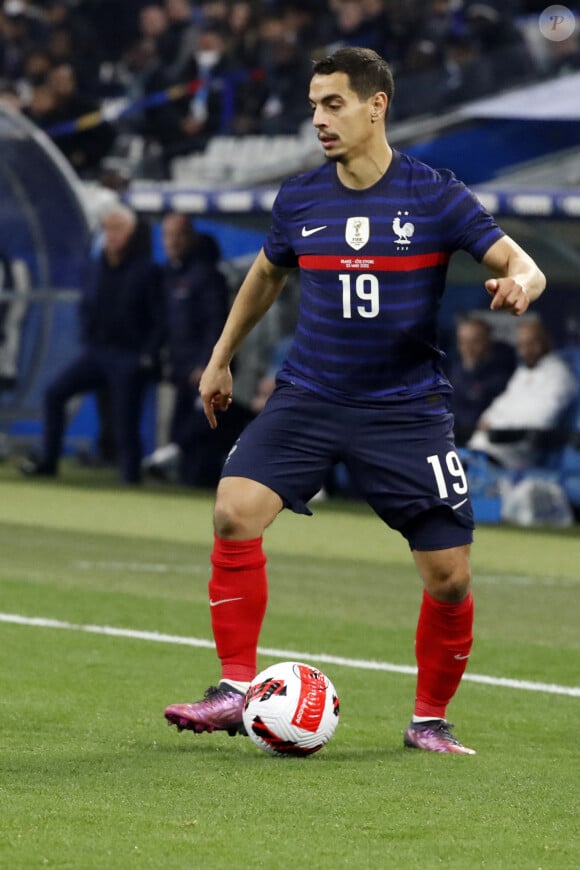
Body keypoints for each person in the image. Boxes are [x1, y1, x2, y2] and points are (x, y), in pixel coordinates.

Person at [164, 47, 546, 755]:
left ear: (377, 106)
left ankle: (428, 719)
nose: (318, 120)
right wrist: (221, 358)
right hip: (310, 393)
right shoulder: (302, 197)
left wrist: (522, 284)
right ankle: (234, 688)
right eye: (313, 105)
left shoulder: (435, 194)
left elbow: (523, 263)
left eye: (333, 103)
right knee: (233, 511)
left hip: (405, 410)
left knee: (450, 578)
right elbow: (265, 277)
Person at [20, 204, 164, 484]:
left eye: (119, 229)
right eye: (108, 229)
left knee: (125, 421)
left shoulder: (147, 271)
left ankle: (130, 478)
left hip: (128, 356)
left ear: (132, 234)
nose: (112, 235)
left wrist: (147, 355)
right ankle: (49, 461)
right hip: (97, 352)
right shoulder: (96, 267)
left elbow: (160, 319)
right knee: (55, 393)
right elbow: (87, 307)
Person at [145, 212, 250, 487]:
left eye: (178, 235)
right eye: (167, 235)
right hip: (182, 366)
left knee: (204, 426)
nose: (172, 241)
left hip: (204, 368)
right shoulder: (169, 275)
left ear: (190, 238)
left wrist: (208, 363)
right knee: (185, 425)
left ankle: (189, 471)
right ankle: (184, 476)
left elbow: (216, 324)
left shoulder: (205, 276)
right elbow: (166, 324)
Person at [467, 318, 577, 470]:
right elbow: (501, 404)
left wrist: (496, 424)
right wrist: (488, 419)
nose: (523, 351)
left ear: (545, 342)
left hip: (514, 453)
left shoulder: (559, 376)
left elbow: (541, 419)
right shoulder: (523, 371)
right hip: (483, 448)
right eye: (521, 345)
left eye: (530, 344)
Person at [448, 316, 516, 446]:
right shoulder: (455, 370)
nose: (468, 348)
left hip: (487, 446)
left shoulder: (502, 374)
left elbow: (482, 417)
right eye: (463, 342)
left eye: (474, 341)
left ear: (487, 342)